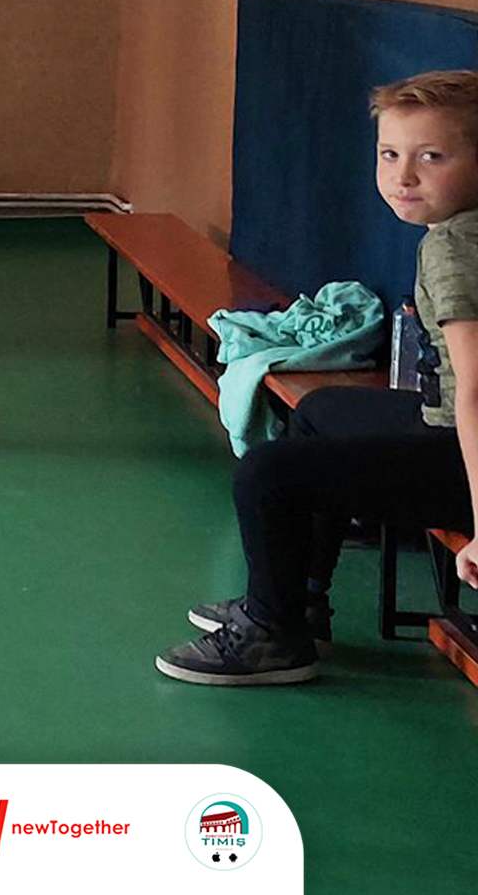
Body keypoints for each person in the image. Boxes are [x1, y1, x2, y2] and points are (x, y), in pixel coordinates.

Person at [156, 71, 478, 685]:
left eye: (432, 157)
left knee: (266, 474)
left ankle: (273, 636)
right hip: (445, 428)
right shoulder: (457, 232)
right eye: (390, 154)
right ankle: (293, 601)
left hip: (466, 455)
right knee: (321, 411)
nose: (404, 177)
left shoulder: (457, 250)